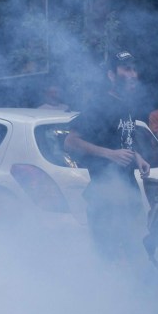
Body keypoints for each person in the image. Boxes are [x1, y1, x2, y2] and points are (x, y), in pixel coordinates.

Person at [64, 50, 150, 262]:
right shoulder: (99, 104)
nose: (133, 74)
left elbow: (122, 140)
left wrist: (138, 156)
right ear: (111, 75)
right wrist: (110, 154)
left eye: (134, 69)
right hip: (105, 197)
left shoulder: (127, 105)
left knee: (133, 253)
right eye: (126, 69)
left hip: (127, 194)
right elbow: (70, 142)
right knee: (109, 257)